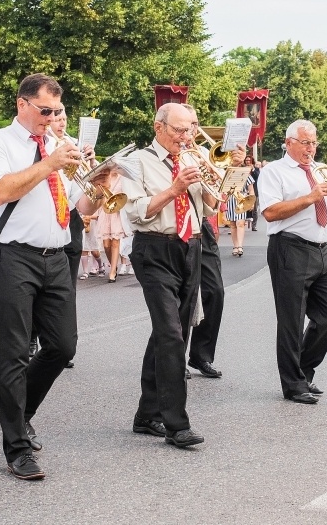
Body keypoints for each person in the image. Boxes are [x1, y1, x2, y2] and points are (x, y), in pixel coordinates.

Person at [0, 73, 106, 480]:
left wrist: (100, 184)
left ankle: (21, 412)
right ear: (22, 104)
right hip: (14, 256)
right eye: (44, 111)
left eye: (56, 112)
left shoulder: (55, 146)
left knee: (62, 346)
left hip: (55, 256)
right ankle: (16, 448)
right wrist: (50, 162)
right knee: (13, 352)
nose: (51, 119)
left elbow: (78, 206)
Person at [122, 103, 218, 448]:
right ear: (158, 127)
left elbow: (210, 207)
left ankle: (147, 415)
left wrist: (211, 182)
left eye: (191, 128)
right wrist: (174, 189)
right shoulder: (137, 162)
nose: (187, 136)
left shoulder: (191, 157)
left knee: (172, 334)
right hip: (155, 248)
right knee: (170, 334)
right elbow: (134, 212)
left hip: (190, 247)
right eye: (179, 130)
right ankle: (176, 424)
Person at [257, 119, 327, 405]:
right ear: (289, 143)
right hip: (290, 248)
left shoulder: (322, 171)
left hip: (322, 250)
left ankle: (303, 371)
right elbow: (270, 213)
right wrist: (311, 197)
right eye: (305, 142)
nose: (311, 148)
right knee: (291, 322)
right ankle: (293, 384)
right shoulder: (274, 172)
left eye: (314, 142)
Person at [181, 104, 245, 379]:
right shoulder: (170, 154)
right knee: (181, 297)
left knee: (215, 291)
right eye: (188, 125)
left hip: (202, 226)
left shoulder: (204, 154)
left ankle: (201, 355)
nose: (194, 130)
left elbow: (222, 193)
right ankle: (175, 358)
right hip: (176, 227)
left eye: (196, 124)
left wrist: (235, 165)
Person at [95, 165, 127, 282]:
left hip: (117, 212)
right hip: (105, 211)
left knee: (115, 242)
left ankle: (112, 271)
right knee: (106, 245)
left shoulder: (122, 178)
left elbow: (125, 196)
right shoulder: (104, 178)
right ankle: (113, 264)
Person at [249, 158, 261, 231]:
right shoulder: (244, 168)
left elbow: (257, 176)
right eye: (246, 161)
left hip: (255, 192)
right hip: (244, 191)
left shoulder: (256, 170)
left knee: (254, 209)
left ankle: (254, 225)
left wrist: (253, 169)